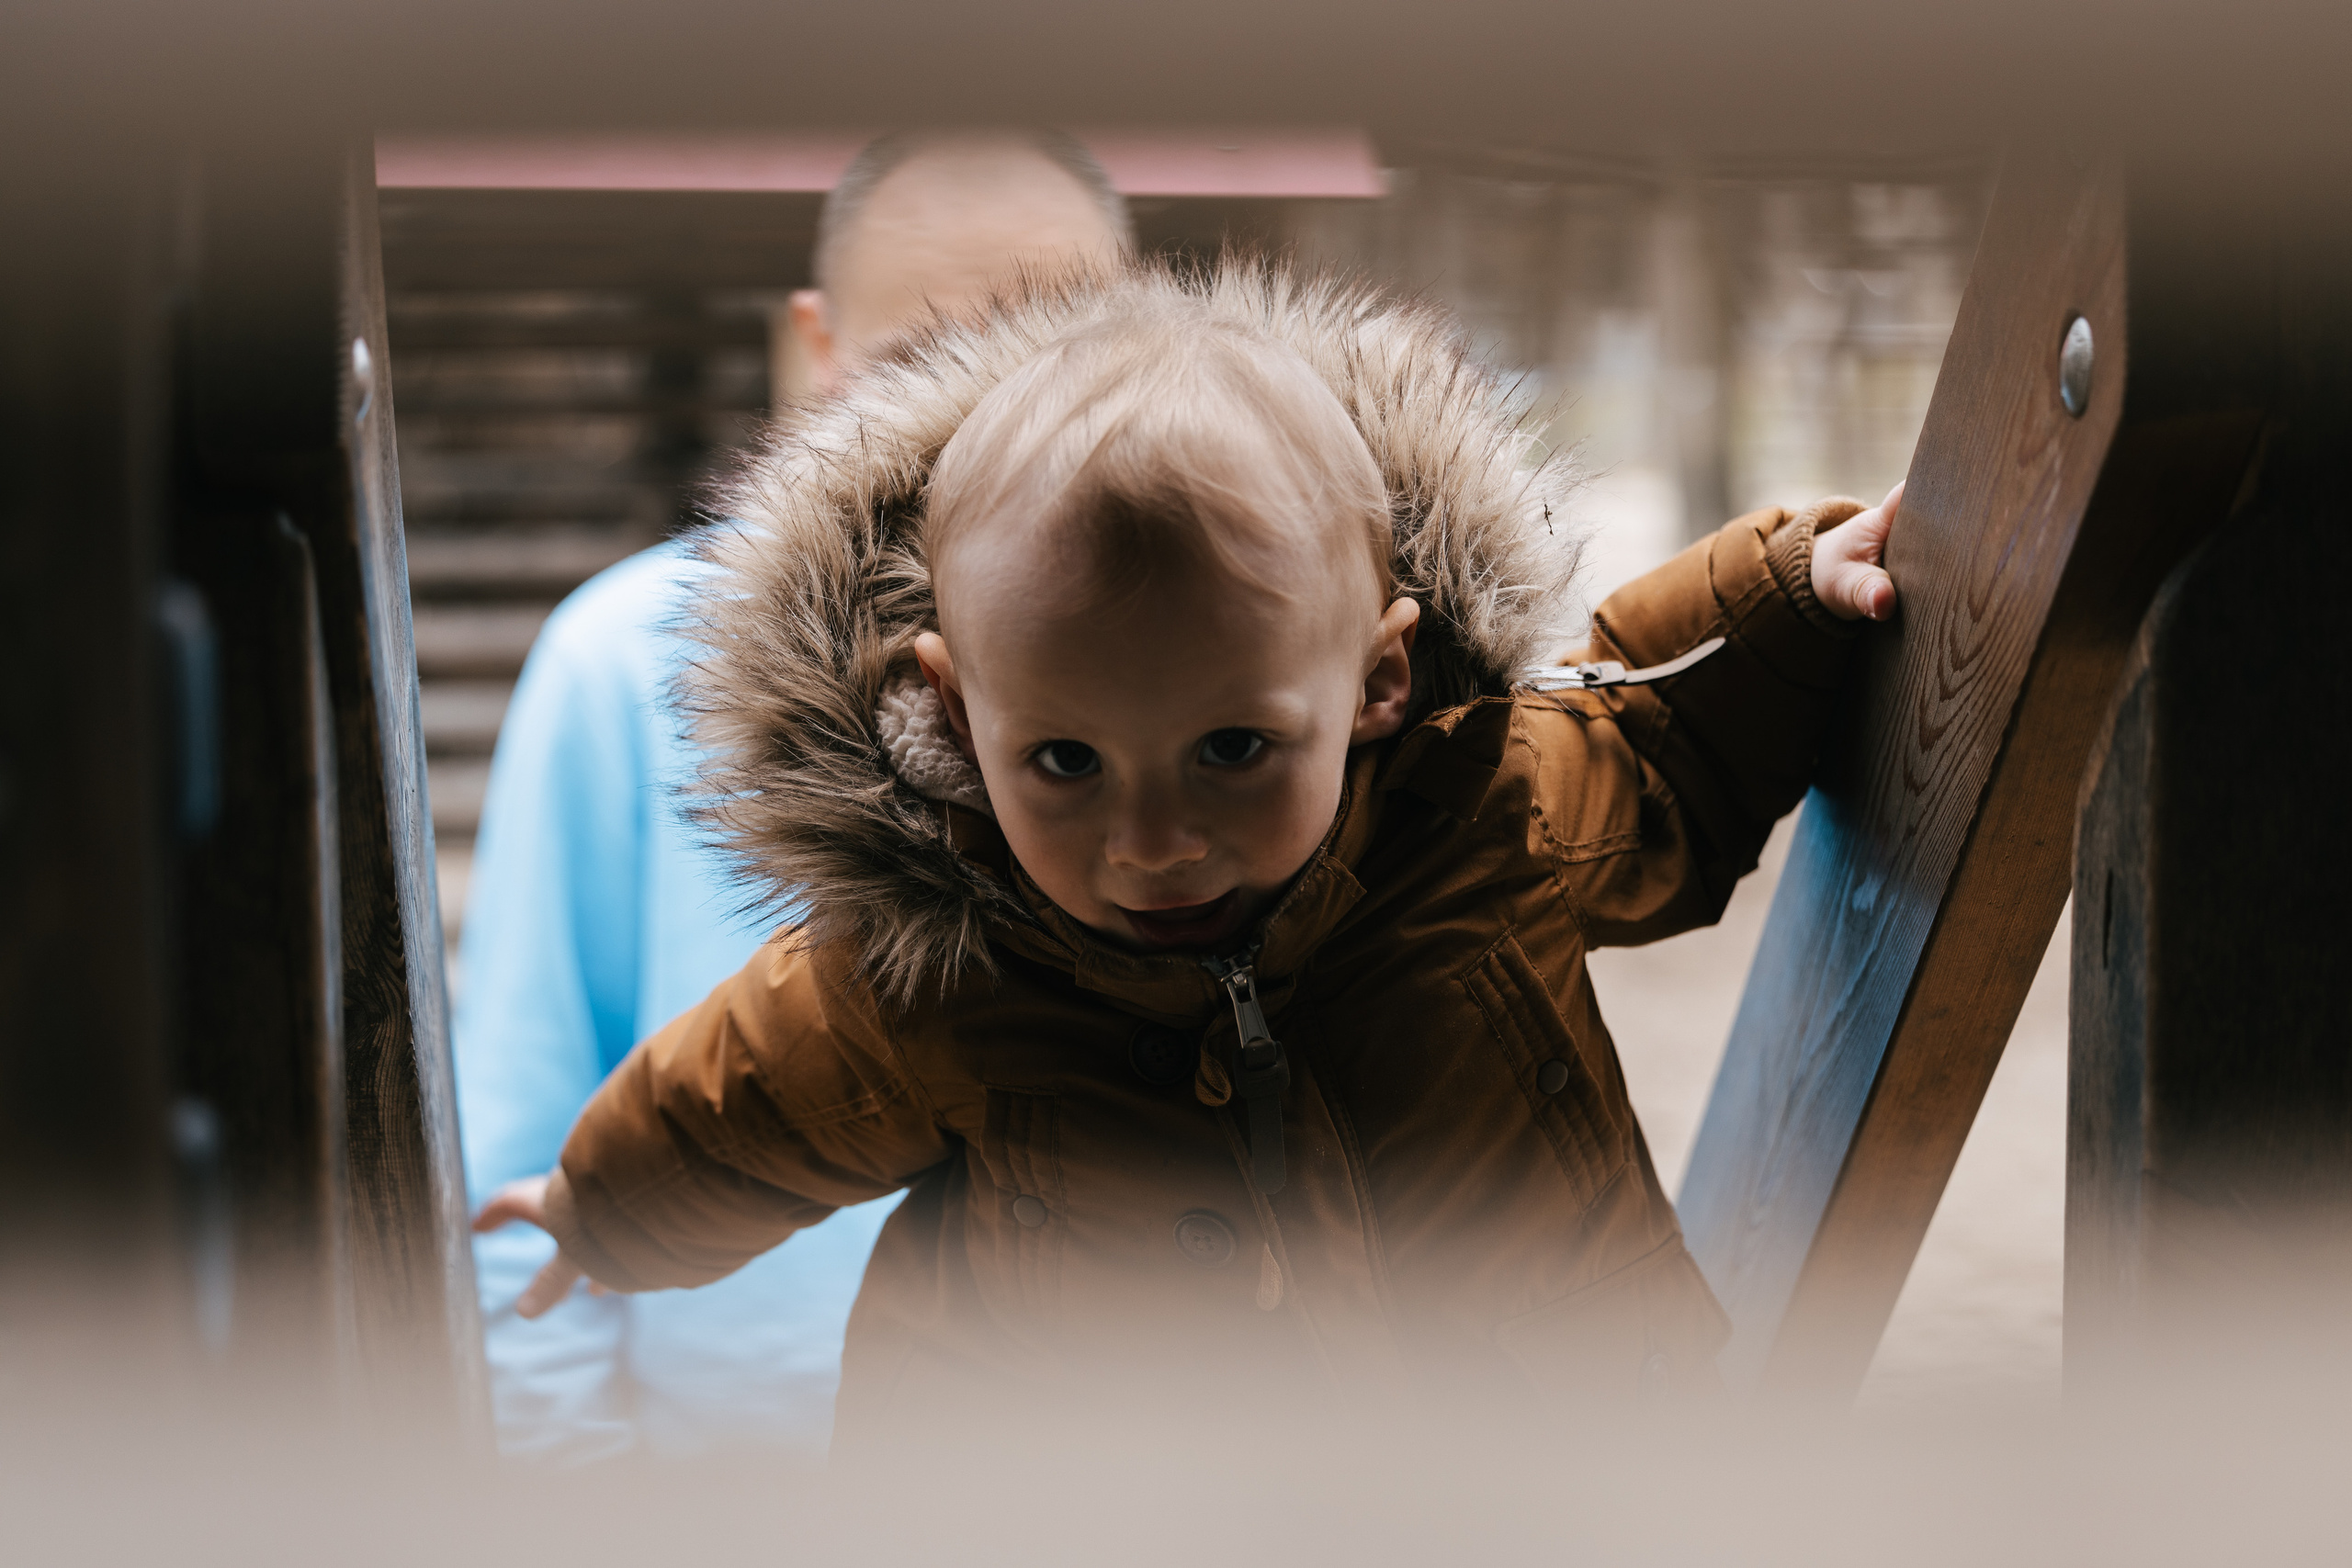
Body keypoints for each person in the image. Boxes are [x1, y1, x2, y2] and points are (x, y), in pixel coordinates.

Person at [475, 256, 1902, 1455]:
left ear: (1377, 682)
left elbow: (1665, 744)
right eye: (1066, 765)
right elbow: (747, 1101)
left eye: (1233, 750)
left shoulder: (1489, 823)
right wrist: (604, 1208)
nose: (1151, 845)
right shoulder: (945, 968)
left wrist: (1789, 599)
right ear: (959, 714)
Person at [456, 130, 1133, 1464]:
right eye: (920, 370)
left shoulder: (1228, 699)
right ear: (812, 350)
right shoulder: (630, 663)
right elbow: (512, 1171)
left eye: (1050, 364)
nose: (980, 431)